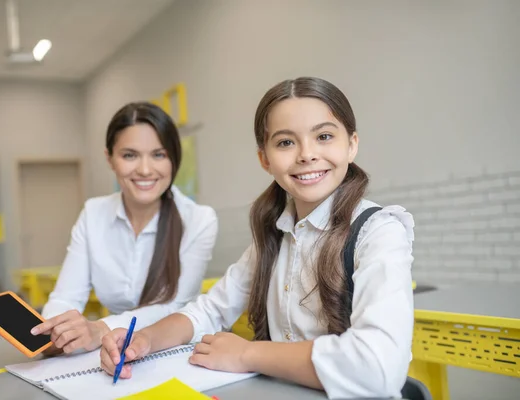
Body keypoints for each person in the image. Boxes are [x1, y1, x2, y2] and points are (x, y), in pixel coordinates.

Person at [99, 77, 415, 399]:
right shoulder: (274, 235)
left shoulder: (379, 231)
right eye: (285, 143)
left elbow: (379, 367)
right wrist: (145, 340)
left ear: (351, 144)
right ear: (264, 159)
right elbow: (208, 311)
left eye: (323, 136)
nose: (306, 154)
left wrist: (247, 354)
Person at [30, 102, 218, 356]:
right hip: (115, 352)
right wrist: (56, 333)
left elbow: (174, 306)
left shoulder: (199, 220)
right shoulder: (93, 214)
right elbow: (65, 297)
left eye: (159, 155)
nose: (144, 169)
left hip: (178, 353)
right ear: (110, 159)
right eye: (129, 155)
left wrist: (100, 329)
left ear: (174, 159)